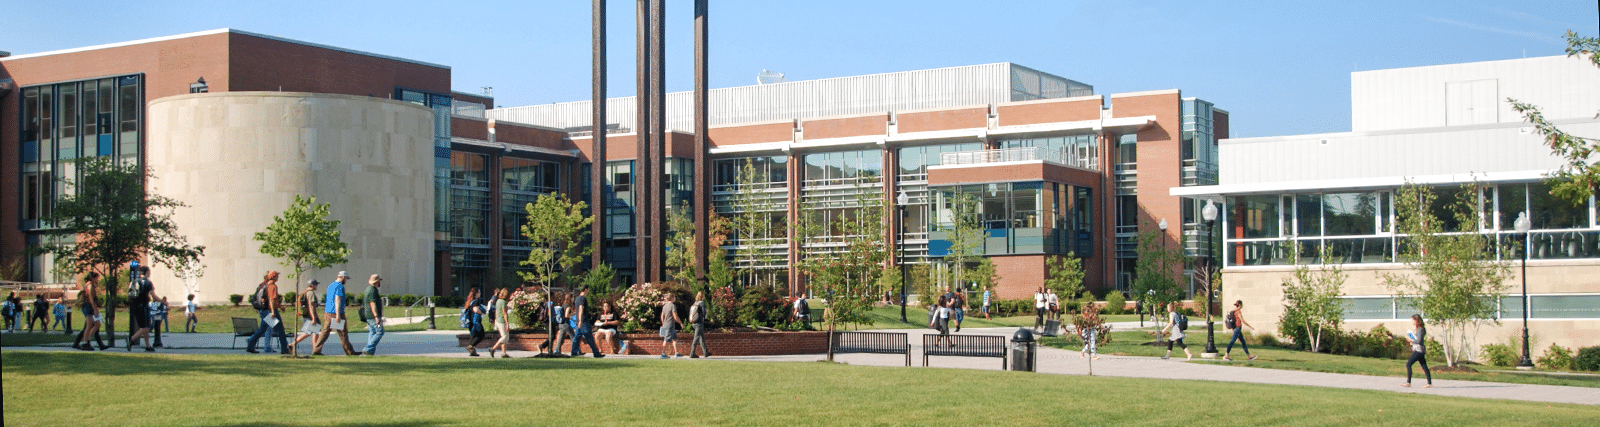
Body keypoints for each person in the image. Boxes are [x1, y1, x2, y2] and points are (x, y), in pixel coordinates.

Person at [313, 272, 356, 356]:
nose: (346, 280)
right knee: (343, 334)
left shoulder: (331, 285)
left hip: (328, 312)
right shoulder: (339, 286)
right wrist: (338, 315)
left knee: (325, 332)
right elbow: (337, 299)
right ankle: (350, 352)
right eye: (346, 278)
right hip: (336, 313)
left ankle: (316, 350)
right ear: (342, 277)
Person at [246, 271, 288, 354]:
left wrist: (280, 306)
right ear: (273, 277)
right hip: (270, 310)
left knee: (262, 329)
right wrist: (273, 312)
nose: (278, 278)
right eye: (277, 276)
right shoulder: (272, 286)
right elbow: (271, 300)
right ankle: (284, 349)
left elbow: (271, 299)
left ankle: (250, 344)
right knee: (280, 329)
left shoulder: (263, 284)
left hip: (263, 310)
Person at [72, 272, 109, 350]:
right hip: (88, 306)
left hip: (88, 306)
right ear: (92, 278)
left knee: (95, 324)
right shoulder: (90, 286)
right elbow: (91, 299)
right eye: (96, 278)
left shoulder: (88, 285)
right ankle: (85, 343)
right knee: (90, 325)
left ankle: (85, 341)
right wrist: (95, 309)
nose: (97, 279)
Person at [125, 265, 157, 352]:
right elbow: (154, 296)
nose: (149, 273)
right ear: (146, 272)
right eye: (149, 271)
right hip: (144, 307)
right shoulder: (147, 282)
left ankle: (148, 346)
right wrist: (163, 302)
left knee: (144, 326)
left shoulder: (134, 281)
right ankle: (131, 339)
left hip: (135, 306)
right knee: (146, 328)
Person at [290, 280, 321, 357]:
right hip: (311, 316)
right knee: (313, 332)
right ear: (312, 285)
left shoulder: (304, 292)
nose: (317, 286)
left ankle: (293, 344)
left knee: (310, 332)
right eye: (316, 285)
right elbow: (311, 306)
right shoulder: (310, 293)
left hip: (306, 315)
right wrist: (314, 317)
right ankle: (315, 350)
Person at [570, 288, 603, 358]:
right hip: (583, 321)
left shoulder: (577, 299)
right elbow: (581, 308)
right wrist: (580, 320)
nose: (588, 291)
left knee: (576, 338)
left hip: (579, 321)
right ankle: (596, 353)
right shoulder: (583, 298)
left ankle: (573, 353)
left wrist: (578, 320)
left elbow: (576, 310)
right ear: (585, 289)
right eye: (588, 290)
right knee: (589, 338)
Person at [1403, 314, 1433, 388]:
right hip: (1418, 349)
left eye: (1413, 320)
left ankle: (1408, 382)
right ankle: (1429, 383)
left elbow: (1419, 340)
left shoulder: (1420, 329)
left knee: (1408, 364)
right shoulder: (1417, 329)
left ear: (1417, 320)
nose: (1412, 322)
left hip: (1419, 350)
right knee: (1424, 366)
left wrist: (1411, 340)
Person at [359, 274, 385, 356]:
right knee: (380, 331)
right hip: (372, 315)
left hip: (368, 315)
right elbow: (372, 304)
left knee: (372, 332)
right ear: (377, 281)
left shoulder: (369, 289)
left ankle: (370, 353)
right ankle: (367, 349)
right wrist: (376, 316)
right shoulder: (372, 290)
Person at [463, 287, 486, 357]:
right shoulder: (476, 301)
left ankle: (472, 351)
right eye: (479, 292)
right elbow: (475, 309)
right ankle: (471, 346)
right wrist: (482, 313)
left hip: (470, 322)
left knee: (473, 335)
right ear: (476, 293)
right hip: (475, 322)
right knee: (481, 334)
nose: (480, 294)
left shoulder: (470, 301)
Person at [489, 288, 511, 358]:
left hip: (498, 321)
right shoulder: (503, 302)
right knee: (504, 337)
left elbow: (496, 311)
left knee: (505, 338)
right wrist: (507, 323)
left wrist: (495, 321)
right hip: (502, 321)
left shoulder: (498, 301)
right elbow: (504, 313)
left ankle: (504, 353)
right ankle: (493, 349)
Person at [689, 291, 711, 358]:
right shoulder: (702, 303)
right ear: (703, 296)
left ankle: (705, 352)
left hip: (694, 322)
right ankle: (692, 353)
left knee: (701, 337)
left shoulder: (695, 303)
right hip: (699, 323)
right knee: (696, 338)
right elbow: (704, 313)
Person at [659, 293, 682, 358]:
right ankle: (663, 354)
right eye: (674, 297)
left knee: (674, 338)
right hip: (670, 325)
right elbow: (675, 316)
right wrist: (680, 323)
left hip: (667, 324)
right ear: (672, 298)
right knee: (666, 339)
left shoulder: (665, 306)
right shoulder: (672, 306)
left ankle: (676, 352)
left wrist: (663, 323)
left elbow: (662, 316)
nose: (675, 298)